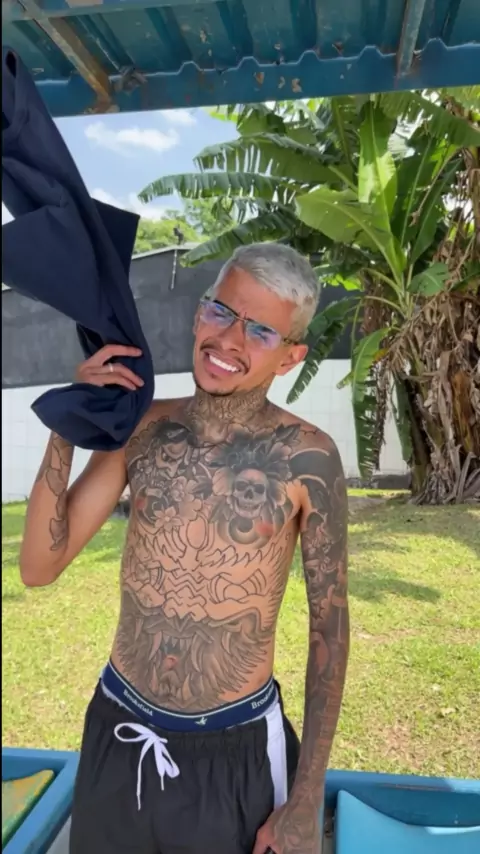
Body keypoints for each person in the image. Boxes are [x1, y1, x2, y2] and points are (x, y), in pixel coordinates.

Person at [20, 243, 349, 854]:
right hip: (119, 730)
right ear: (199, 314)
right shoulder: (142, 431)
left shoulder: (308, 458)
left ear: (290, 357)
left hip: (234, 749)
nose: (230, 339)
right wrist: (68, 423)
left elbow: (329, 629)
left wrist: (306, 797)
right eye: (221, 311)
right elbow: (40, 566)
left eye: (260, 330)